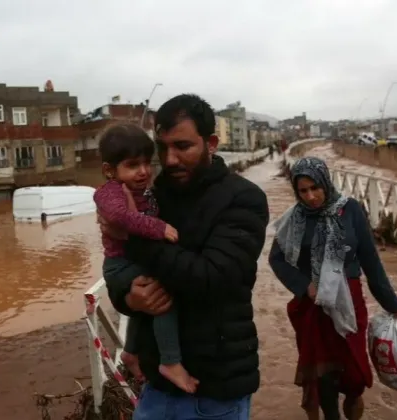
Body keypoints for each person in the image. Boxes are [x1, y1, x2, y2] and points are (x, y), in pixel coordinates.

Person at [99, 94, 270, 419]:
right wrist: (130, 299)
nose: (171, 159)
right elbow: (123, 276)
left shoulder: (244, 199)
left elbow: (210, 278)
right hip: (156, 386)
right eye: (163, 149)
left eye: (183, 146)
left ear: (212, 143)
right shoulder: (154, 195)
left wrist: (134, 237)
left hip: (215, 388)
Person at [269, 156, 397, 420]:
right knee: (324, 378)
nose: (310, 197)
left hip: (350, 304)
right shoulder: (294, 219)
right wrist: (304, 285)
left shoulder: (350, 210)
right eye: (303, 191)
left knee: (355, 377)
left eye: (315, 188)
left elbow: (372, 265)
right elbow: (276, 258)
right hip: (314, 308)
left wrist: (395, 306)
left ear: (326, 183)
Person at [94, 123, 198, 393]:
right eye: (132, 165)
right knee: (162, 297)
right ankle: (170, 362)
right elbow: (119, 217)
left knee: (145, 307)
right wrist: (158, 228)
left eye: (146, 163)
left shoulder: (141, 191)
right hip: (120, 266)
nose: (143, 171)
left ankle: (130, 353)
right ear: (109, 170)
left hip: (131, 262)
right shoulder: (111, 191)